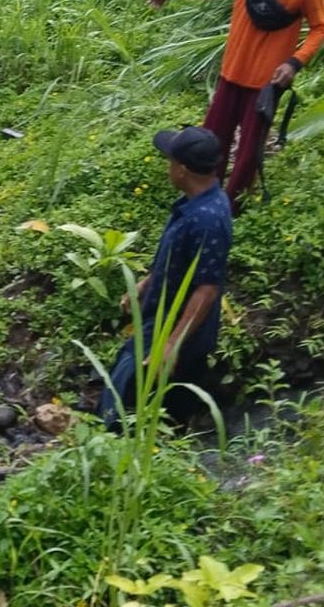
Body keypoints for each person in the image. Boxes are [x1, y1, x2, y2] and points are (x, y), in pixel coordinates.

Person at [146, 0, 324, 214]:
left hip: (265, 83)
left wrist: (294, 62)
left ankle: (230, 208)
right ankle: (201, 197)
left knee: (248, 151)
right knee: (212, 138)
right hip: (231, 73)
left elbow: (320, 27)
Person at [99, 127, 233, 430]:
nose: (167, 166)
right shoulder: (196, 203)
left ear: (182, 170)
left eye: (170, 160)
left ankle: (110, 455)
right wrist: (147, 282)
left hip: (172, 333)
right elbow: (182, 259)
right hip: (157, 320)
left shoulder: (207, 219)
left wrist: (171, 343)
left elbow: (207, 288)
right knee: (130, 387)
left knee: (126, 401)